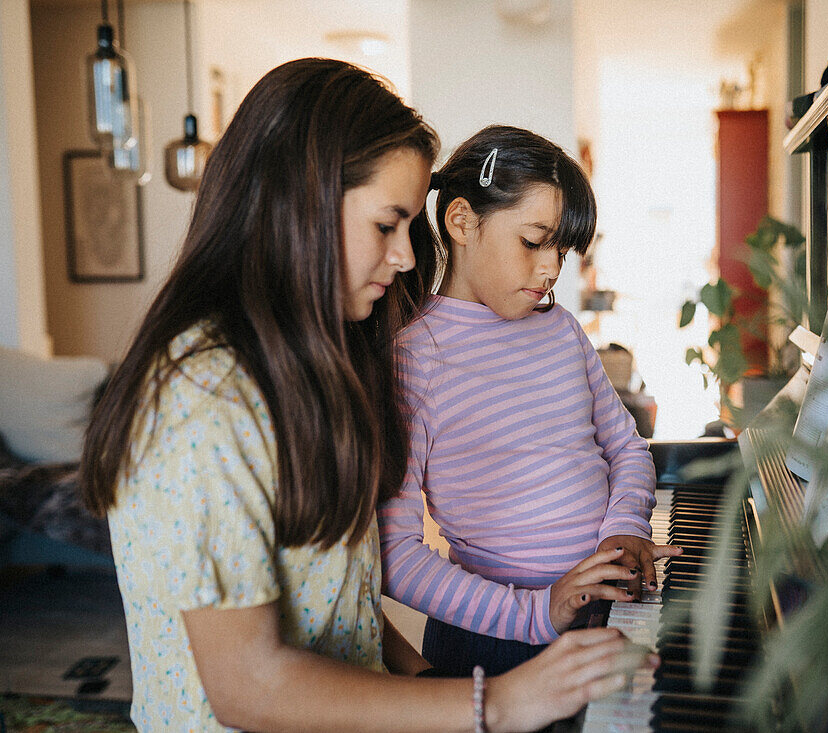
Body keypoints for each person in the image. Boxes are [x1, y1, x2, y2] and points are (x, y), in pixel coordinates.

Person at [81, 60, 649, 733]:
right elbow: (246, 685)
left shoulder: (308, 364)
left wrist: (427, 680)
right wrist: (495, 700)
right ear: (300, 203)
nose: (409, 256)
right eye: (388, 225)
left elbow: (335, 600)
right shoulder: (203, 400)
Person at [380, 125, 681, 677]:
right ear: (462, 222)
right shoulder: (415, 359)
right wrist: (538, 613)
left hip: (603, 610)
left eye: (561, 250)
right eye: (533, 241)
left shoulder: (560, 329)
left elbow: (627, 448)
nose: (551, 270)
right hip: (495, 641)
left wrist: (627, 528)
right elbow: (396, 558)